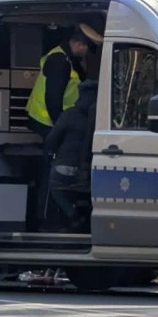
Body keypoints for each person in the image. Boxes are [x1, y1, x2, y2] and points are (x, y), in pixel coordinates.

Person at [43, 79, 98, 232]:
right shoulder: (99, 118)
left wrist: (49, 154)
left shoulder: (69, 115)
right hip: (89, 171)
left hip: (64, 167)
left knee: (54, 186)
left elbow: (51, 139)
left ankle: (72, 216)